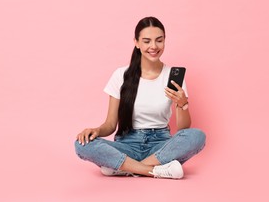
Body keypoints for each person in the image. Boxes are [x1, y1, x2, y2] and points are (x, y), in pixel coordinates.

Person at [74, 16, 206, 179]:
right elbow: (110, 125)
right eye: (146, 41)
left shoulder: (172, 77)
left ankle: (123, 166)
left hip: (159, 146)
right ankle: (153, 170)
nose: (153, 46)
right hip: (127, 144)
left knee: (197, 136)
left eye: (159, 40)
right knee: (82, 144)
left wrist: (183, 104)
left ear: (165, 41)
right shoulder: (120, 75)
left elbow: (183, 129)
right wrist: (96, 131)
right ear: (136, 42)